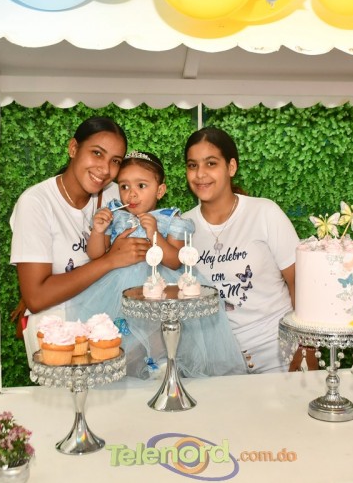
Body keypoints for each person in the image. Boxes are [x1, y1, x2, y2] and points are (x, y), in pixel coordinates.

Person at [74, 150, 246, 378]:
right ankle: (129, 374)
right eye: (124, 186)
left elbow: (174, 262)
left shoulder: (169, 219)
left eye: (141, 186)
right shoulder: (116, 216)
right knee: (123, 336)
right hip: (118, 289)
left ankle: (161, 368)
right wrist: (98, 231)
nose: (131, 194)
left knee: (158, 330)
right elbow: (96, 254)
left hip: (160, 286)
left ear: (160, 190)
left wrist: (155, 233)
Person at [9, 116, 150, 363]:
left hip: (107, 327)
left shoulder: (116, 195)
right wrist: (110, 260)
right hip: (57, 333)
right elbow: (36, 297)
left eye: (115, 161)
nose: (105, 169)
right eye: (97, 153)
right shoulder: (36, 203)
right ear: (73, 148)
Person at [184, 127, 301, 373]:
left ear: (231, 167)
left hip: (277, 352)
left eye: (211, 163)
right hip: (217, 362)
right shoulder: (183, 227)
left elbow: (298, 282)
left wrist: (306, 347)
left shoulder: (264, 213)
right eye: (192, 165)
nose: (200, 174)